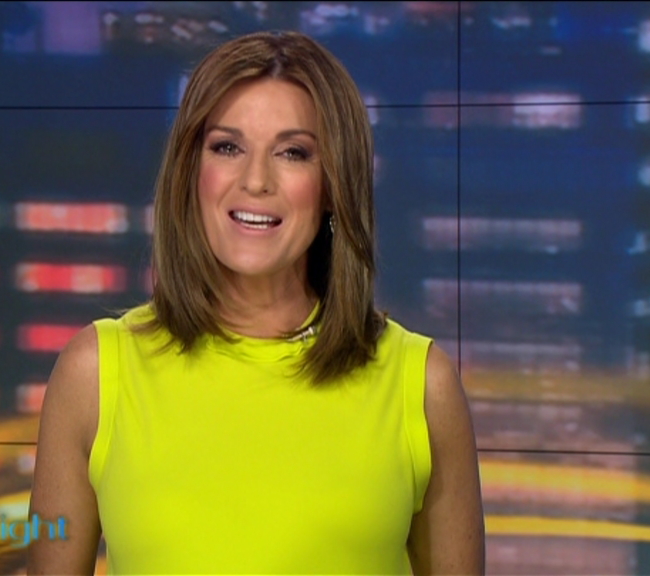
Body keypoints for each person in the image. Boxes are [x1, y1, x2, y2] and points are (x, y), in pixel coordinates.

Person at [27, 30, 484, 575]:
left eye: (293, 153)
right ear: (191, 171)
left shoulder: (422, 386)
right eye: (228, 147)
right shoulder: (95, 375)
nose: (256, 181)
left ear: (333, 184)